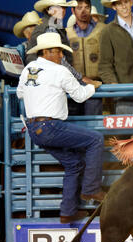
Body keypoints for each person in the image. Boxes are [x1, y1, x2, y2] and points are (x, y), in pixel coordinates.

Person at [17, 32, 105, 224]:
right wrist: (94, 86)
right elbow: (80, 96)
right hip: (50, 126)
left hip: (34, 130)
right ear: (48, 52)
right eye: (58, 52)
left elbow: (19, 94)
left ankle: (67, 213)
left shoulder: (28, 69)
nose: (61, 57)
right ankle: (91, 189)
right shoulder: (60, 71)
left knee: (73, 164)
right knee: (96, 139)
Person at [27, 0, 99, 87]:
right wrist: (80, 78)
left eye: (64, 7)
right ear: (49, 10)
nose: (63, 10)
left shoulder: (53, 25)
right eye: (58, 7)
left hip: (43, 78)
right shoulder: (50, 28)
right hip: (48, 81)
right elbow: (58, 59)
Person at [98, 0, 133, 114]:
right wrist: (114, 87)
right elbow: (105, 65)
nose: (124, 6)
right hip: (124, 93)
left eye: (126, 1)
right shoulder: (108, 31)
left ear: (131, 2)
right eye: (119, 3)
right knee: (126, 131)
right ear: (114, 7)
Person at [66, 0, 106, 115]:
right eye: (79, 8)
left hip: (95, 85)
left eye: (86, 7)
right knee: (74, 125)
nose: (83, 11)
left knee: (93, 124)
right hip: (72, 85)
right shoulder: (66, 34)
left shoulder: (102, 30)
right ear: (73, 10)